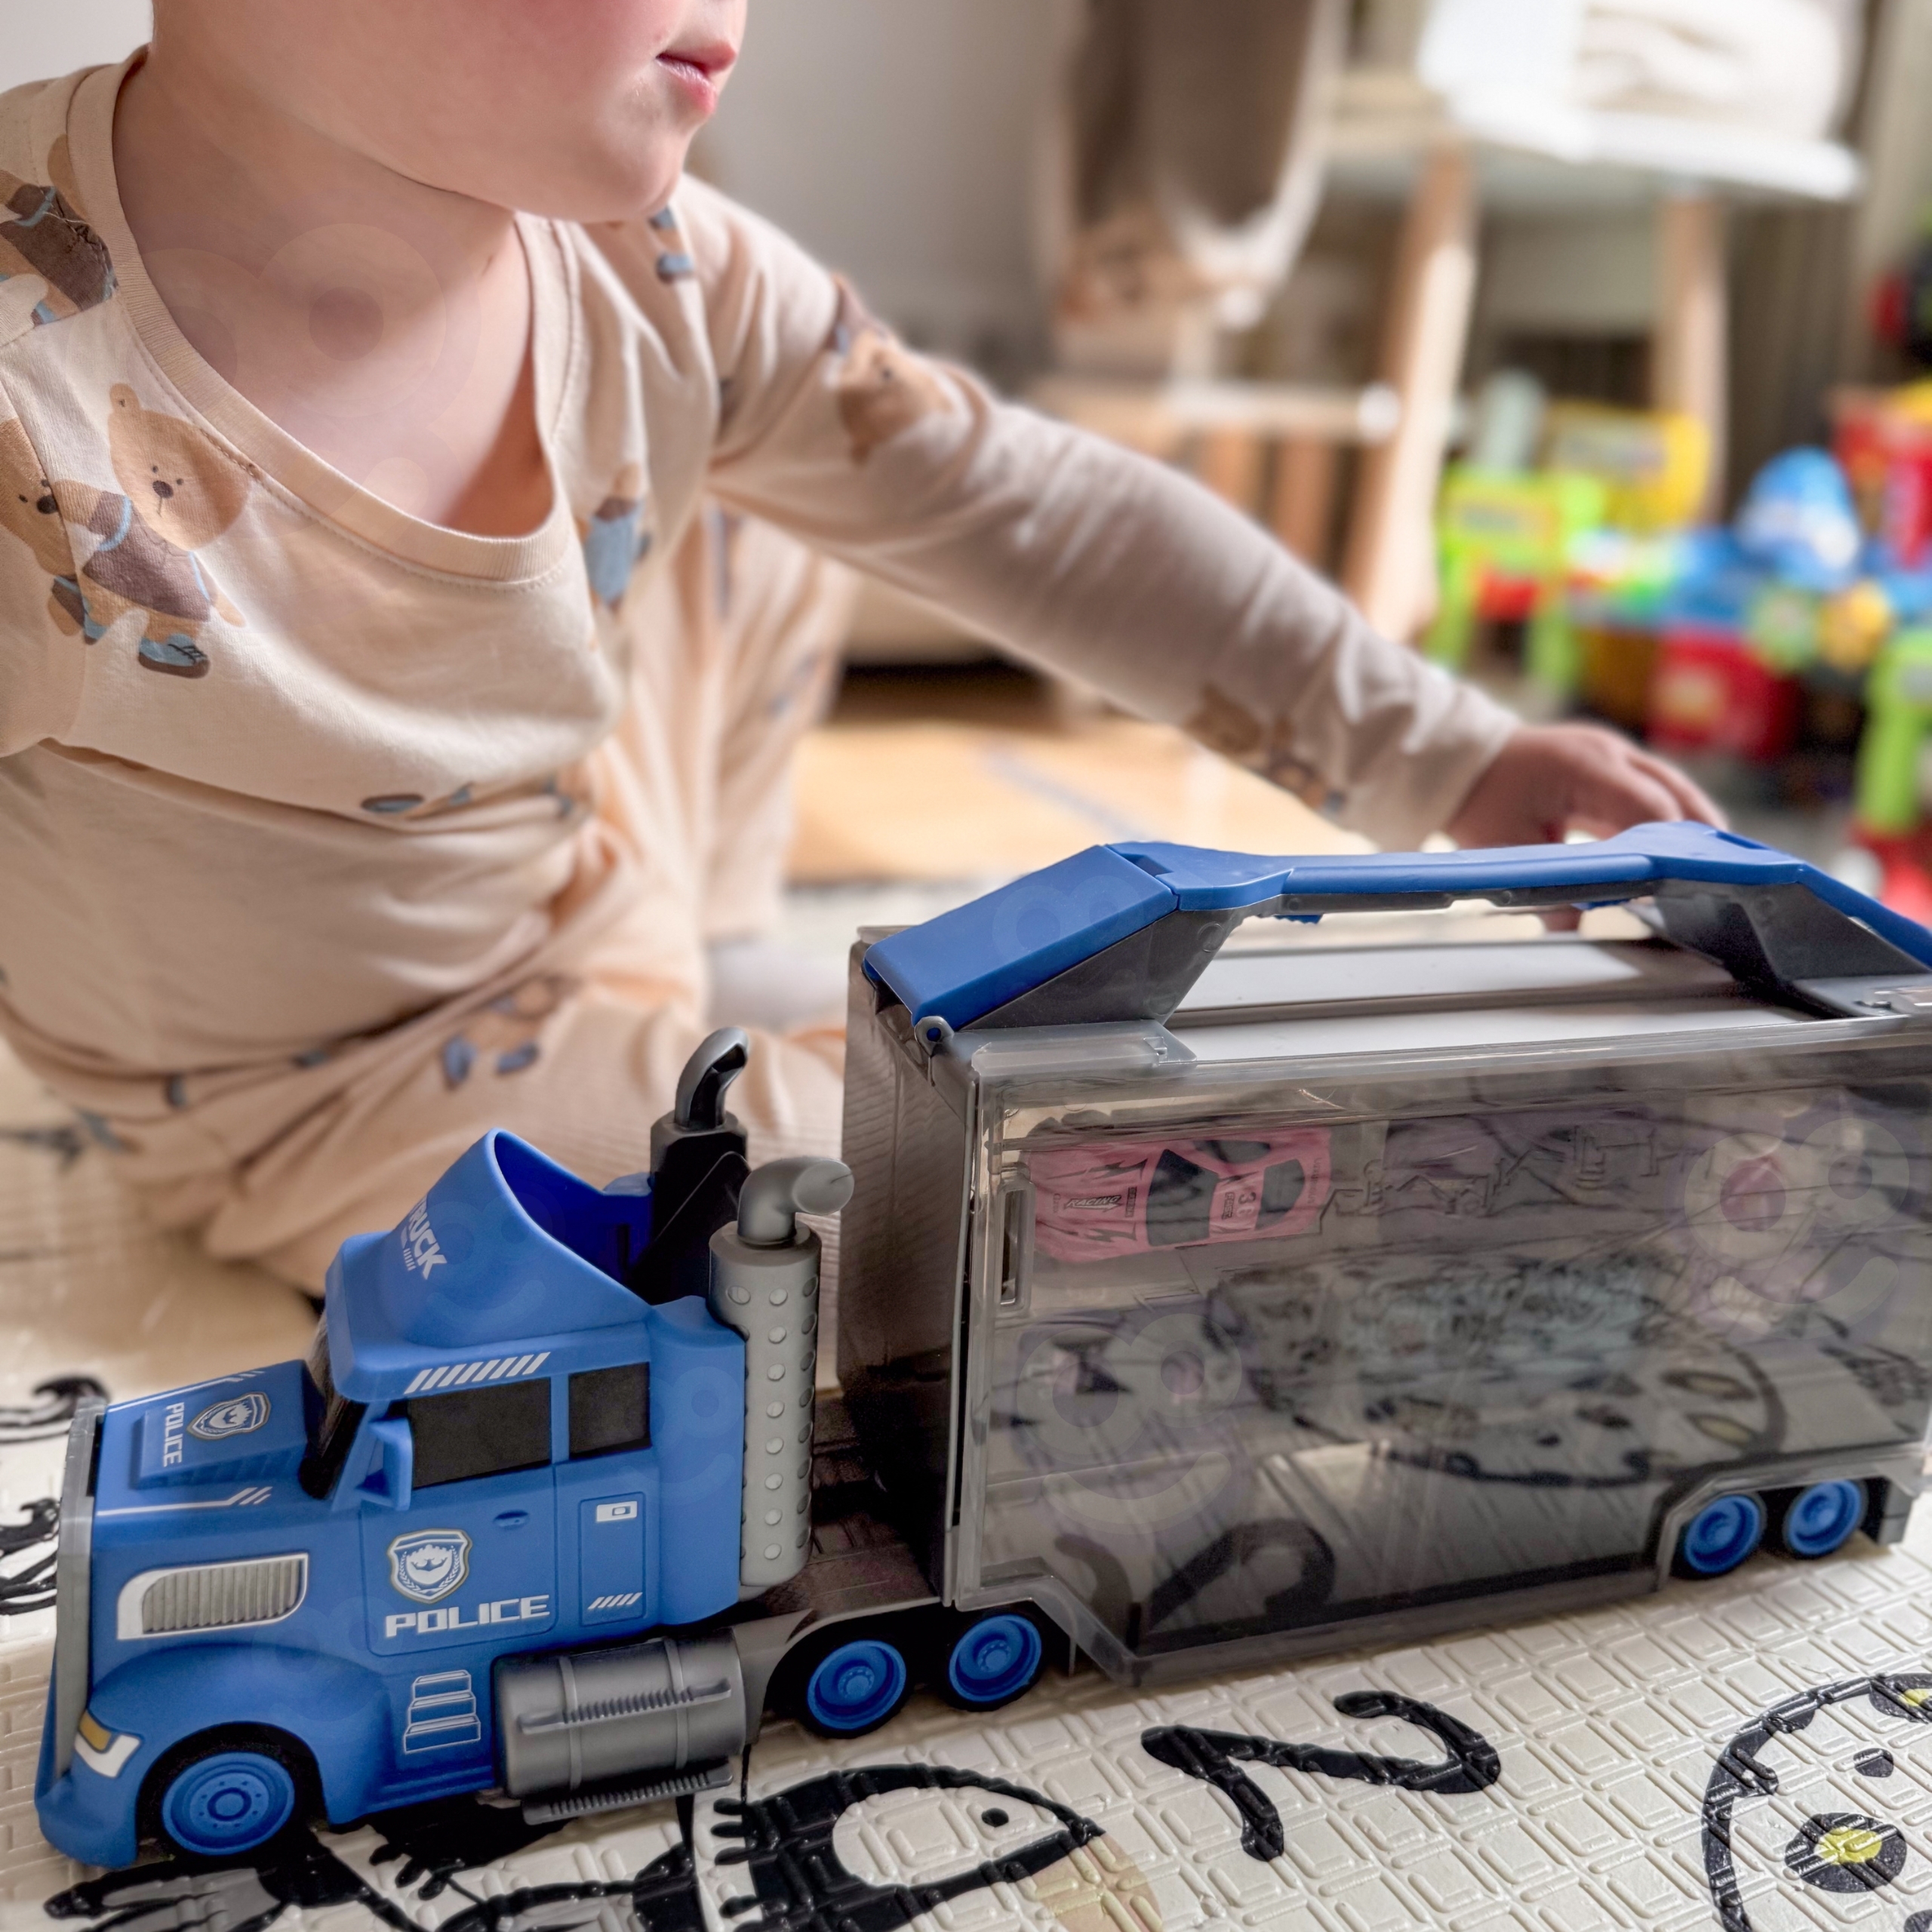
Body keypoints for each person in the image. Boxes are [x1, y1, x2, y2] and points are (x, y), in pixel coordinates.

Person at [0, 0, 1718, 1291]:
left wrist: (1445, 753)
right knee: (862, 1195)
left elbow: (1032, 510)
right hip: (334, 1096)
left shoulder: (656, 267)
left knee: (804, 466)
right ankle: (735, 1047)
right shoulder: (31, 403)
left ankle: (711, 965)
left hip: (586, 847)